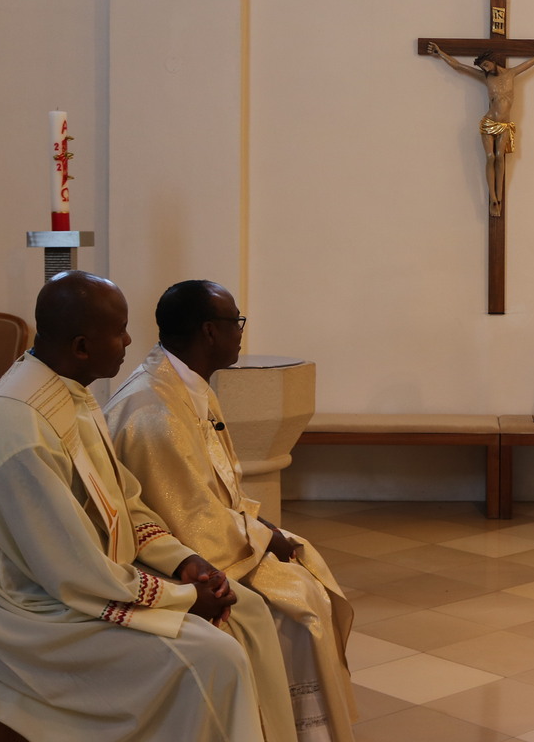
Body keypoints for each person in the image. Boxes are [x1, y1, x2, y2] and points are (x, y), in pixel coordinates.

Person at [0, 270, 286, 742]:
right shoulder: (19, 431)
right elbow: (69, 568)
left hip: (74, 582)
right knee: (214, 658)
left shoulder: (69, 393)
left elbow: (122, 499)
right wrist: (183, 598)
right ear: (81, 346)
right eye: (120, 330)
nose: (130, 341)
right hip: (26, 616)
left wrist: (184, 561)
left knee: (249, 610)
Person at [105, 280, 357, 742]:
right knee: (302, 610)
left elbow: (215, 490)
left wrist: (257, 524)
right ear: (209, 331)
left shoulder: (184, 385)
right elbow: (187, 519)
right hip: (175, 558)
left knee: (306, 575)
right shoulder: (153, 412)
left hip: (214, 540)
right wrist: (261, 536)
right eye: (235, 322)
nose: (241, 332)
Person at [427, 36, 534, 216]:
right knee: (490, 156)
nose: (485, 69)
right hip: (489, 122)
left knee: (500, 157)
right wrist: (440, 53)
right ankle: (492, 196)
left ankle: (498, 197)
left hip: (504, 124)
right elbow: (459, 66)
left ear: (493, 61)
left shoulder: (511, 74)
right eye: (483, 67)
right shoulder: (485, 78)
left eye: (486, 65)